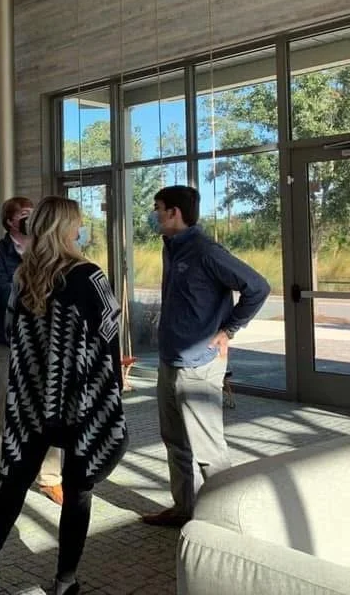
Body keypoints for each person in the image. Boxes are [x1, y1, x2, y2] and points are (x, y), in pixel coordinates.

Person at [0, 197, 127, 594]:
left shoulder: (25, 277)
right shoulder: (90, 276)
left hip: (32, 399)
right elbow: (108, 334)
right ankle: (65, 580)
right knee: (78, 487)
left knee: (15, 480)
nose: (80, 230)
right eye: (78, 224)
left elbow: (14, 332)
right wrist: (111, 389)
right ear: (66, 230)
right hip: (80, 400)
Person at [142, 186, 270, 528]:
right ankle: (186, 509)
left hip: (200, 364)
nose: (154, 214)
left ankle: (229, 522)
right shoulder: (171, 247)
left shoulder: (205, 251)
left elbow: (257, 287)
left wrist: (229, 330)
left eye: (157, 208)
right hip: (171, 360)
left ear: (174, 213)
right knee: (175, 441)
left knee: (208, 449)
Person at [0, 196, 63, 516]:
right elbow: (3, 293)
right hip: (9, 343)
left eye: (34, 215)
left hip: (45, 344)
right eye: (25, 216)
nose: (31, 221)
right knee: (4, 416)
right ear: (11, 222)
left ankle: (50, 477)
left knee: (50, 411)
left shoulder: (46, 251)